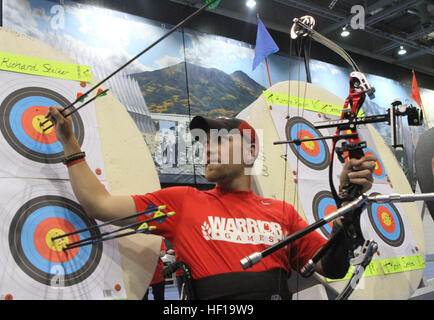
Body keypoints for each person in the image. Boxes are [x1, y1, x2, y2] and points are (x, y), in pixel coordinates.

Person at [46, 108, 377, 300]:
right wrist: (70, 144)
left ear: (250, 152)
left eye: (220, 140)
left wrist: (347, 206)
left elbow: (333, 268)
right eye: (204, 141)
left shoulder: (282, 213)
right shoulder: (182, 201)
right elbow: (99, 204)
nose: (207, 148)